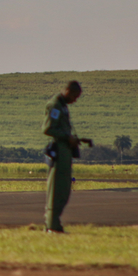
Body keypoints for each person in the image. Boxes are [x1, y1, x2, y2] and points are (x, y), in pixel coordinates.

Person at [42, 80, 83, 233]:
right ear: (67, 91)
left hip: (65, 152)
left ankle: (55, 223)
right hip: (58, 151)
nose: (75, 100)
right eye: (74, 96)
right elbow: (47, 128)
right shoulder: (55, 105)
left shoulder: (63, 106)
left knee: (64, 189)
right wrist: (67, 137)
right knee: (56, 190)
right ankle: (51, 225)